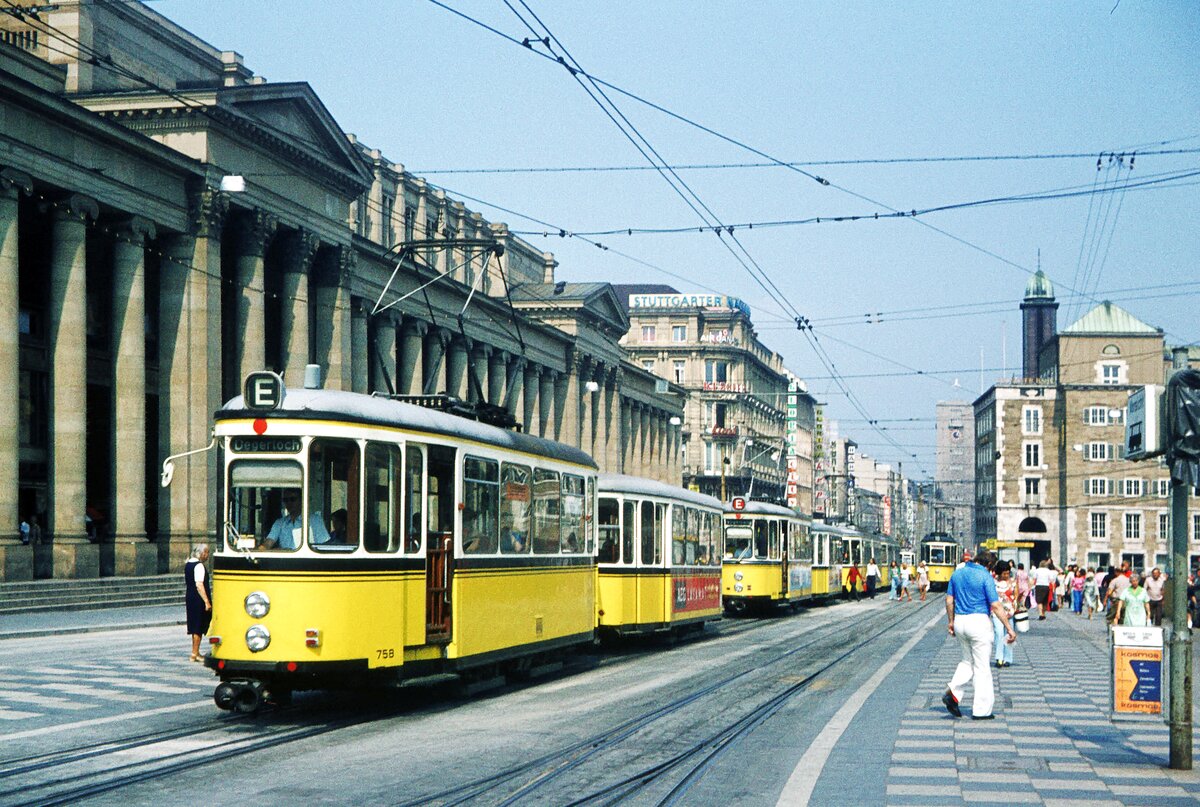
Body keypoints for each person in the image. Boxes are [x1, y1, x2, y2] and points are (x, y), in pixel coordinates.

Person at [943, 547, 1016, 720]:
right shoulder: (985, 576)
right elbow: (996, 605)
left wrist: (951, 621)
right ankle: (982, 710)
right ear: (989, 565)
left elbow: (949, 600)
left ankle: (953, 692)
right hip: (979, 622)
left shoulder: (957, 573)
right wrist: (1009, 627)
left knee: (967, 660)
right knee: (982, 667)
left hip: (960, 621)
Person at [261, 489, 331, 549]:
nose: (289, 503)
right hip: (285, 562)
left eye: (292, 499)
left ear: (301, 500)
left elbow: (323, 546)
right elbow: (268, 543)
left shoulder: (315, 520)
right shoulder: (279, 523)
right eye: (285, 500)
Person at [185, 543, 212, 662]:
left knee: (194, 625)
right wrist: (207, 601)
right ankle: (194, 653)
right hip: (198, 598)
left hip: (190, 597)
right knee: (198, 626)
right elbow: (199, 585)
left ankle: (195, 651)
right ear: (202, 553)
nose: (207, 555)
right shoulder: (199, 566)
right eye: (207, 552)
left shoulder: (188, 564)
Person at [992, 561, 1016, 668]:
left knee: (1009, 634)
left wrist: (1016, 606)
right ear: (999, 572)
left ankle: (1008, 658)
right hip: (997, 611)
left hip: (1009, 612)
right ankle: (999, 658)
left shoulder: (1013, 582)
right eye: (1004, 573)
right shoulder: (992, 582)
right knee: (999, 632)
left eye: (1008, 573)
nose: (1006, 575)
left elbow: (1016, 595)